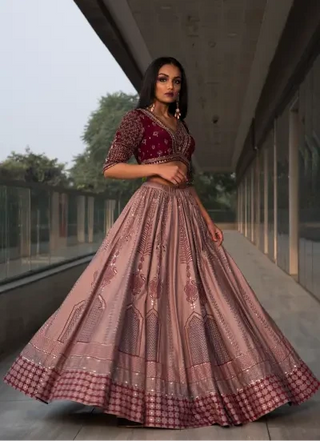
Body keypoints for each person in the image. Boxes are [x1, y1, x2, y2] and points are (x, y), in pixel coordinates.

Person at [3, 57, 320, 429]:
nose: (171, 86)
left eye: (177, 81)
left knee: (202, 295)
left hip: (186, 214)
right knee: (136, 293)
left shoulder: (181, 125)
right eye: (164, 79)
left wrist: (206, 218)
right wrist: (155, 167)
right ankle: (133, 387)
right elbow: (111, 167)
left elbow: (186, 179)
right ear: (152, 83)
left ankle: (220, 381)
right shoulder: (136, 120)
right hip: (151, 211)